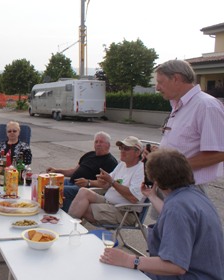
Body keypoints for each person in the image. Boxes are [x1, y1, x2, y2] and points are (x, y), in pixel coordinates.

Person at [100, 149, 224, 279]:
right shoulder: (193, 195)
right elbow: (174, 216)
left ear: (156, 180)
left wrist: (129, 260)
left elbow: (175, 265)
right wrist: (152, 196)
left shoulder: (177, 208)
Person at [154, 59, 224, 187]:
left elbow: (220, 153)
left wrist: (174, 167)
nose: (157, 88)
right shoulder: (179, 104)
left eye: (160, 82)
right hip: (169, 183)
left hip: (187, 187)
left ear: (176, 78)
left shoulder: (207, 106)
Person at [68, 136, 145, 226]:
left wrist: (111, 181)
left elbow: (133, 198)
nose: (122, 151)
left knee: (81, 207)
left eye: (126, 148)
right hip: (108, 202)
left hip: (124, 212)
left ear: (137, 152)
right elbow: (107, 184)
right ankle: (72, 228)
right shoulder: (122, 164)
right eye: (121, 148)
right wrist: (96, 181)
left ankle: (70, 229)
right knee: (83, 191)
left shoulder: (141, 170)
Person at [47, 131, 118, 212]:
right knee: (47, 183)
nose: (98, 144)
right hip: (71, 182)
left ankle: (66, 216)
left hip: (85, 188)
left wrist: (88, 182)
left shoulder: (110, 162)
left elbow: (105, 184)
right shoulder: (90, 154)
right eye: (96, 141)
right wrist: (56, 171)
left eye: (101, 142)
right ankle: (46, 210)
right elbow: (73, 171)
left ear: (108, 145)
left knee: (58, 190)